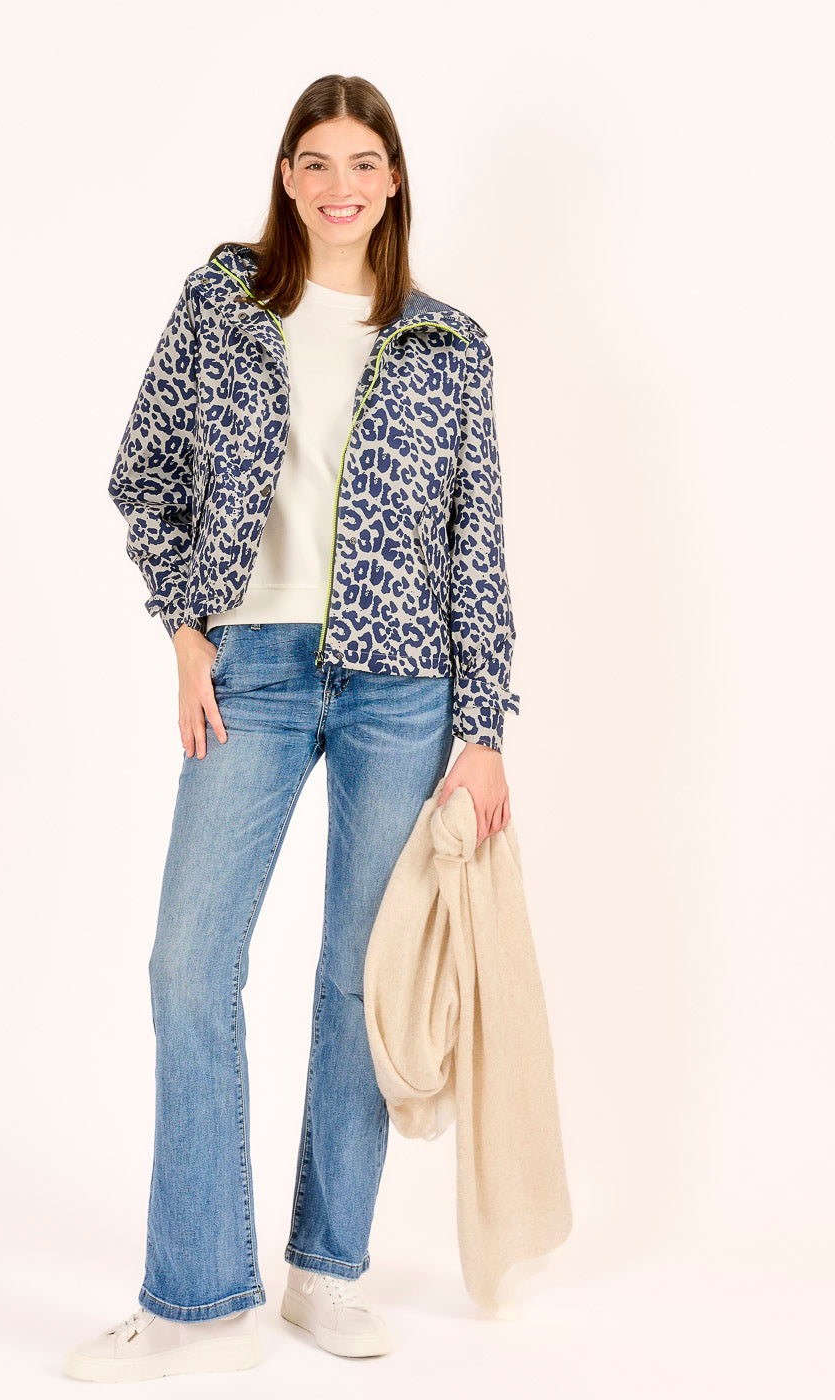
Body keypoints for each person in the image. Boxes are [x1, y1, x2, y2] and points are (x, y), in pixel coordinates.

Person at [63, 72, 520, 1383]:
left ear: (394, 179)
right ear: (286, 176)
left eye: (362, 162)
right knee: (188, 968)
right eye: (315, 161)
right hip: (250, 671)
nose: (338, 186)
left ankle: (328, 1273)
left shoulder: (447, 343)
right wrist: (185, 630)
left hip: (402, 685)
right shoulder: (225, 300)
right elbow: (144, 471)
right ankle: (199, 1300)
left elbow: (475, 541)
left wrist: (483, 728)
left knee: (357, 981)